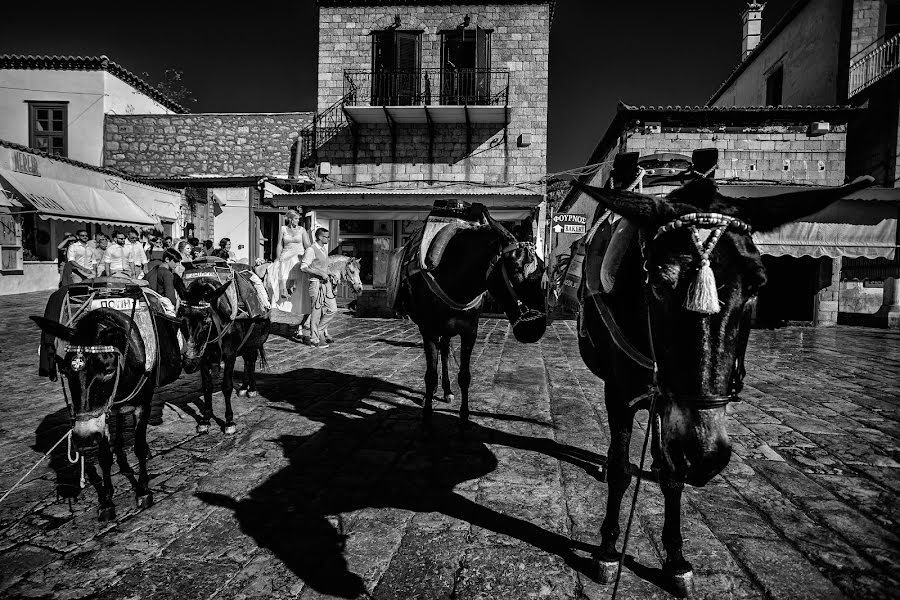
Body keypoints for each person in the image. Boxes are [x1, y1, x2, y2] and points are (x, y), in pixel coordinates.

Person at [267, 209, 313, 341]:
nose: (297, 221)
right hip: (285, 256)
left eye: (298, 219)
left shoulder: (302, 230)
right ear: (290, 219)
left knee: (295, 267)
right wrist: (277, 258)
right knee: (278, 268)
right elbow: (279, 244)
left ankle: (291, 291)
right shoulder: (283, 229)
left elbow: (307, 245)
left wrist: (308, 257)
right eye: (295, 219)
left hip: (298, 257)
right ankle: (283, 292)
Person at [301, 227, 336, 347]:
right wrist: (320, 273)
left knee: (333, 309)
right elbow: (304, 267)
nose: (328, 238)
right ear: (320, 237)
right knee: (316, 312)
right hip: (316, 284)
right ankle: (314, 339)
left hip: (326, 284)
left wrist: (329, 272)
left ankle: (319, 331)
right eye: (327, 236)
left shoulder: (323, 249)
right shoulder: (311, 249)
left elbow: (323, 266)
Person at [144, 248, 183, 317]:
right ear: (167, 259)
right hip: (164, 309)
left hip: (152, 305)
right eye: (175, 261)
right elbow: (170, 295)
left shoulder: (154, 269)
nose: (177, 264)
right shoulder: (167, 273)